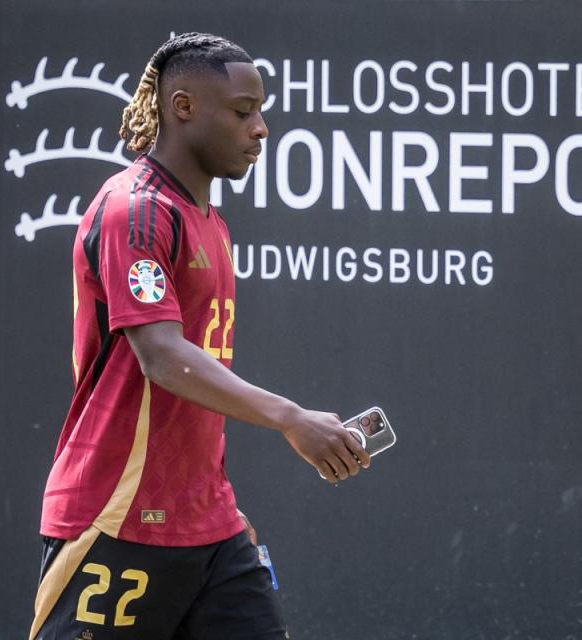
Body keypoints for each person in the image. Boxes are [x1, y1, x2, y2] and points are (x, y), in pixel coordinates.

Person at [29, 32, 370, 640]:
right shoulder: (133, 209)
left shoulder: (209, 222)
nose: (261, 128)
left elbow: (190, 394)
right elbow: (162, 358)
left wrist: (212, 505)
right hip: (116, 515)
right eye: (244, 112)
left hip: (209, 531)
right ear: (182, 106)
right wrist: (291, 417)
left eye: (261, 112)